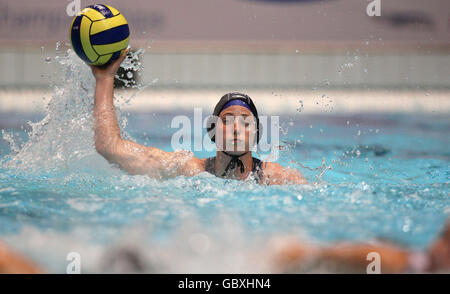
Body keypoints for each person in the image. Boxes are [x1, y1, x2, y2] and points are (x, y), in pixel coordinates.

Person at [91, 49, 307, 185]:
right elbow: (108, 147)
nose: (236, 127)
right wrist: (105, 78)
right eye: (227, 119)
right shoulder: (188, 169)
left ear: (256, 133)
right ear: (212, 130)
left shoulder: (279, 179)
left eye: (246, 121)